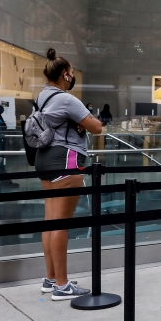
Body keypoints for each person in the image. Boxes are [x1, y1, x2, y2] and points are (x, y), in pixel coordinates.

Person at [34, 48, 103, 300]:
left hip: (43, 159)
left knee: (51, 220)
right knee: (61, 223)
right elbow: (96, 127)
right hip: (66, 160)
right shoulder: (66, 99)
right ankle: (62, 286)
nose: (73, 77)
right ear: (64, 75)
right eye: (72, 73)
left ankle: (51, 278)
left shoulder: (42, 97)